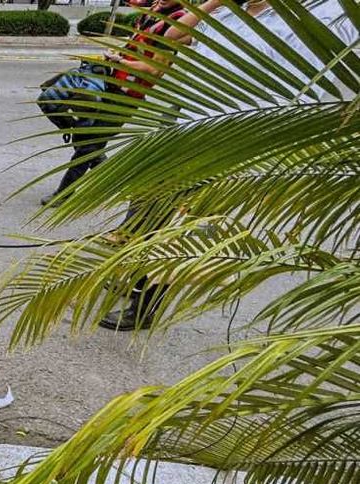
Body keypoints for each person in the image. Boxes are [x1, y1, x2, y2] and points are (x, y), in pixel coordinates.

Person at [99, 0, 358, 330]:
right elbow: (173, 33)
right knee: (148, 209)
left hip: (234, 145)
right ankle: (135, 277)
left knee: (182, 228)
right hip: (188, 131)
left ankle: (145, 305)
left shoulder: (314, 14)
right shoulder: (226, 14)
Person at [39, 0, 187, 206]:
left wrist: (122, 62)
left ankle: (64, 193)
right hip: (108, 83)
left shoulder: (177, 23)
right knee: (50, 102)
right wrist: (116, 57)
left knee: (88, 146)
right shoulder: (153, 13)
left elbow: (155, 69)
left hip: (127, 95)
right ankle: (104, 168)